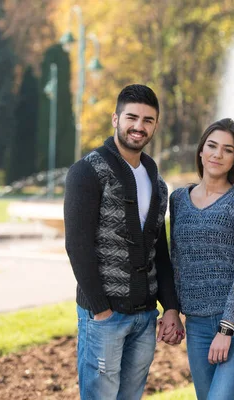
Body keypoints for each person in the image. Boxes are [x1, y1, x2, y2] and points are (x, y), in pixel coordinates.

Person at [64, 84, 184, 399]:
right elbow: (77, 246)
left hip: (145, 318)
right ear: (116, 119)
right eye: (132, 117)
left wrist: (170, 307)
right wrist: (101, 310)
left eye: (148, 120)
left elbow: (160, 251)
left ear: (155, 125)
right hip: (104, 316)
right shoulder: (87, 171)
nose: (138, 127)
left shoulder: (157, 182)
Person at [168, 118, 234, 400]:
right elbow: (177, 264)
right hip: (198, 324)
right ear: (201, 151)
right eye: (212, 146)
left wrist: (226, 328)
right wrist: (172, 310)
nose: (217, 154)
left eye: (227, 150)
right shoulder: (178, 199)